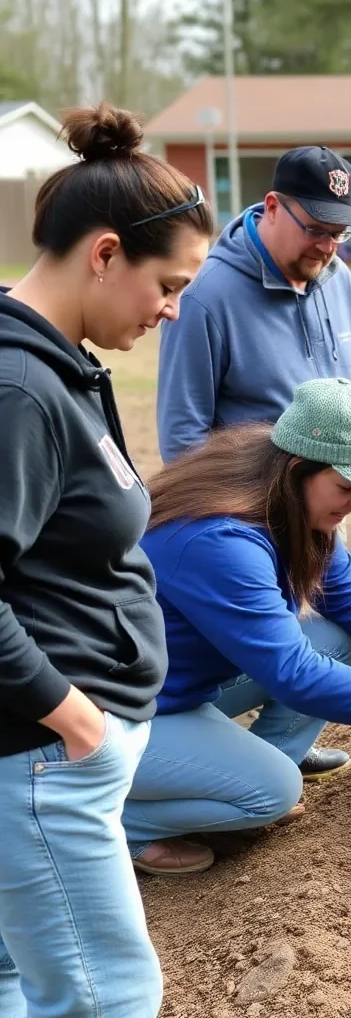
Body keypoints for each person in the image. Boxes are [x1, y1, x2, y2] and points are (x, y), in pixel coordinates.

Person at [0, 103, 213, 1017]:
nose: (171, 311)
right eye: (168, 284)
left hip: (63, 753)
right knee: (107, 997)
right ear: (103, 254)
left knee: (31, 984)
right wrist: (74, 719)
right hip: (46, 757)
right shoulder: (19, 390)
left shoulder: (59, 364)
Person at [122, 378, 351, 875]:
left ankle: (226, 782)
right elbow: (293, 674)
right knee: (274, 790)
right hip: (121, 717)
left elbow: (349, 593)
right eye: (346, 486)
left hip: (177, 687)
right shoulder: (222, 538)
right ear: (297, 469)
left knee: (332, 638)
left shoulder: (276, 493)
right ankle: (120, 822)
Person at [157, 145, 351, 781]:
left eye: (339, 233)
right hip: (246, 517)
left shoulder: (340, 281)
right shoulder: (207, 296)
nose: (328, 247)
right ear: (272, 207)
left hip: (315, 500)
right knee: (266, 643)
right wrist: (220, 526)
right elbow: (182, 430)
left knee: (336, 622)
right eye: (316, 230)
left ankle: (280, 751)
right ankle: (202, 758)